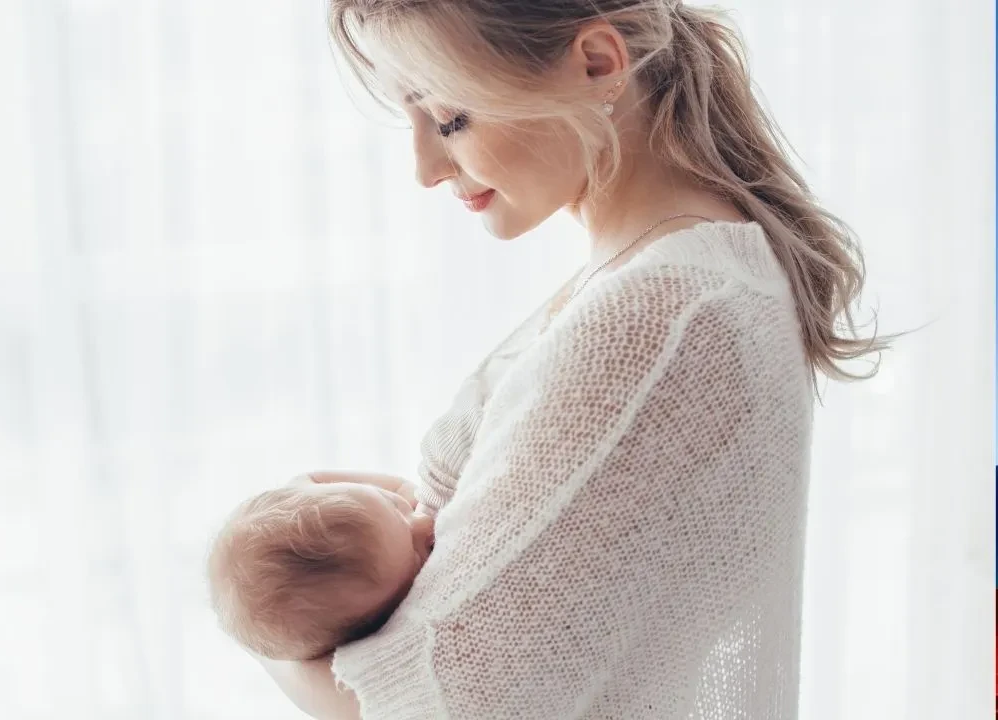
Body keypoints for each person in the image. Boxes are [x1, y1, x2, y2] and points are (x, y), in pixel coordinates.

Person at [256, 1, 890, 718]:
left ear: (597, 64)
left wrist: (263, 613)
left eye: (449, 118)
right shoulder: (667, 272)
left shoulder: (664, 315)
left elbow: (446, 704)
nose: (425, 169)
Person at [206, 471, 435, 662]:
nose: (426, 523)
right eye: (416, 556)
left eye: (393, 504)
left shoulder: (312, 486)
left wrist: (406, 492)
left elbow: (309, 480)